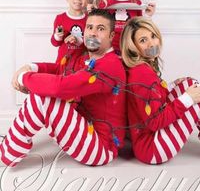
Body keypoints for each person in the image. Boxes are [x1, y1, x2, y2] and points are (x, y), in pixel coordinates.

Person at [0, 9, 126, 167]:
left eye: (100, 29)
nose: (92, 33)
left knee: (42, 97)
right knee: (42, 91)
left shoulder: (109, 65)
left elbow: (60, 87)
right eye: (89, 27)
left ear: (111, 36)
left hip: (101, 148)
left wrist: (23, 78)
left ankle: (7, 153)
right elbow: (61, 70)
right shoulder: (89, 58)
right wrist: (30, 67)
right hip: (86, 132)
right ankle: (12, 143)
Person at [120, 16, 200, 164]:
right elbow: (154, 121)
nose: (151, 43)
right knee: (198, 95)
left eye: (153, 36)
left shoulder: (143, 68)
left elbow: (153, 98)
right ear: (133, 47)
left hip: (149, 141)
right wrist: (187, 98)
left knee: (190, 84)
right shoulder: (142, 74)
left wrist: (172, 86)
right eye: (143, 40)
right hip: (152, 149)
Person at [51, 0, 90, 65]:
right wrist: (58, 36)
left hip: (81, 64)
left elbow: (91, 42)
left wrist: (77, 40)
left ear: (87, 1)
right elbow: (55, 43)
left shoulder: (89, 19)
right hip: (62, 63)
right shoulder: (61, 18)